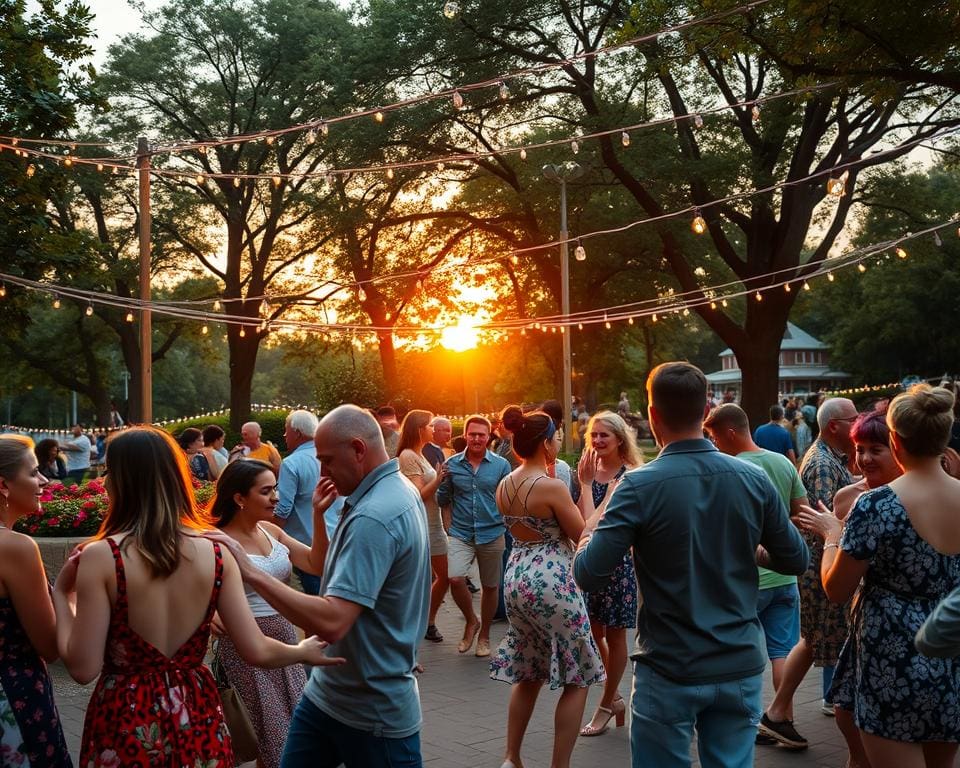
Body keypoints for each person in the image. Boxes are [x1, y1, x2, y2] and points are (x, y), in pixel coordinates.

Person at [51, 426, 338, 768]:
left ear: (122, 479)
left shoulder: (102, 556)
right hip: (198, 712)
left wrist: (61, 595)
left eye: (111, 471)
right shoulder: (216, 552)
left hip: (126, 718)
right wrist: (300, 651)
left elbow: (83, 668)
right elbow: (256, 649)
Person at [574, 362, 809, 768]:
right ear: (705, 413)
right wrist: (753, 552)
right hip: (737, 661)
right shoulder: (753, 479)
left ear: (652, 416)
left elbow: (589, 573)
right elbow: (796, 559)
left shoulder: (638, 485)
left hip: (668, 665)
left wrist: (586, 534)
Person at [210, 404, 431, 767]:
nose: (323, 471)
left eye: (327, 460)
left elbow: (332, 619)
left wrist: (252, 575)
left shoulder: (375, 514)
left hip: (369, 706)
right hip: (331, 693)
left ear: (358, 449)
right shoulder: (391, 492)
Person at [798, 385, 960, 768]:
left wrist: (833, 536)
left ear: (897, 442)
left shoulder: (876, 505)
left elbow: (837, 589)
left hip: (892, 658)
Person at [489, 409, 605, 768]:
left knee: (528, 672)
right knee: (580, 676)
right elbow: (582, 533)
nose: (557, 443)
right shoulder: (551, 486)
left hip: (516, 578)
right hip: (551, 580)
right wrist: (589, 490)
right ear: (545, 443)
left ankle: (511, 756)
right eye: (555, 438)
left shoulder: (505, 483)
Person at [211, 459, 329, 768]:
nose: (276, 497)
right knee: (273, 740)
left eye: (275, 489)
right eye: (266, 491)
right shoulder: (214, 539)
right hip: (246, 648)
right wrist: (208, 615)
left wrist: (318, 514)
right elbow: (182, 588)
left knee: (292, 735)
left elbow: (316, 563)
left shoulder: (270, 530)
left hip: (287, 642)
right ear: (239, 499)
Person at [703, 404, 808, 749]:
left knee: (738, 656)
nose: (715, 446)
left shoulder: (726, 469)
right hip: (784, 578)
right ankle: (783, 720)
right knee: (783, 652)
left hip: (744, 580)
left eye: (716, 437)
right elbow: (801, 513)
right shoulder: (781, 462)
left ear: (731, 432)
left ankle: (746, 723)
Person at [764, 396, 859, 743]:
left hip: (826, 563)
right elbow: (818, 522)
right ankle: (778, 711)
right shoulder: (821, 462)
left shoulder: (834, 457)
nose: (859, 421)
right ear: (835, 425)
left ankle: (776, 712)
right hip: (823, 565)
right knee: (814, 638)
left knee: (813, 640)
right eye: (854, 418)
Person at [0, 435, 72, 766]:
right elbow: (50, 644)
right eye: (33, 473)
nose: (43, 480)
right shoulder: (15, 548)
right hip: (14, 698)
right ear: (3, 485)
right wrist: (68, 590)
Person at [576, 410, 642, 738]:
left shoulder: (628, 476)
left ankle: (605, 704)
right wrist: (586, 484)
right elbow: (578, 527)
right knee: (590, 633)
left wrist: (586, 487)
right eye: (594, 435)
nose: (598, 441)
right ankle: (615, 697)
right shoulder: (590, 471)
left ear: (619, 439)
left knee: (614, 637)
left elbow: (592, 526)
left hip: (617, 567)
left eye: (605, 435)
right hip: (588, 565)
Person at [436, 414, 511, 658]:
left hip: (492, 532)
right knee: (455, 578)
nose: (477, 438)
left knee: (490, 586)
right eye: (472, 434)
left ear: (489, 437)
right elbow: (443, 496)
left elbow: (508, 499)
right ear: (465, 436)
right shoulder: (453, 464)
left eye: (481, 434)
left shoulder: (501, 465)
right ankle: (471, 620)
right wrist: (447, 522)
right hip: (461, 532)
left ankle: (485, 635)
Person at [396, 409, 450, 644]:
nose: (432, 429)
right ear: (419, 429)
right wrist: (438, 479)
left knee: (444, 576)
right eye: (429, 425)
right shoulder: (408, 456)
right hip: (423, 525)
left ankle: (426, 621)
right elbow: (416, 494)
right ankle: (418, 624)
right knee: (431, 578)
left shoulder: (419, 454)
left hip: (434, 524)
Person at [272, 409, 330, 596]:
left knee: (314, 604)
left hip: (305, 546)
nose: (284, 436)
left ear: (297, 432)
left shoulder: (292, 463)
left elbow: (283, 509)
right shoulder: (330, 456)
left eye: (286, 430)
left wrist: (271, 537)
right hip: (336, 540)